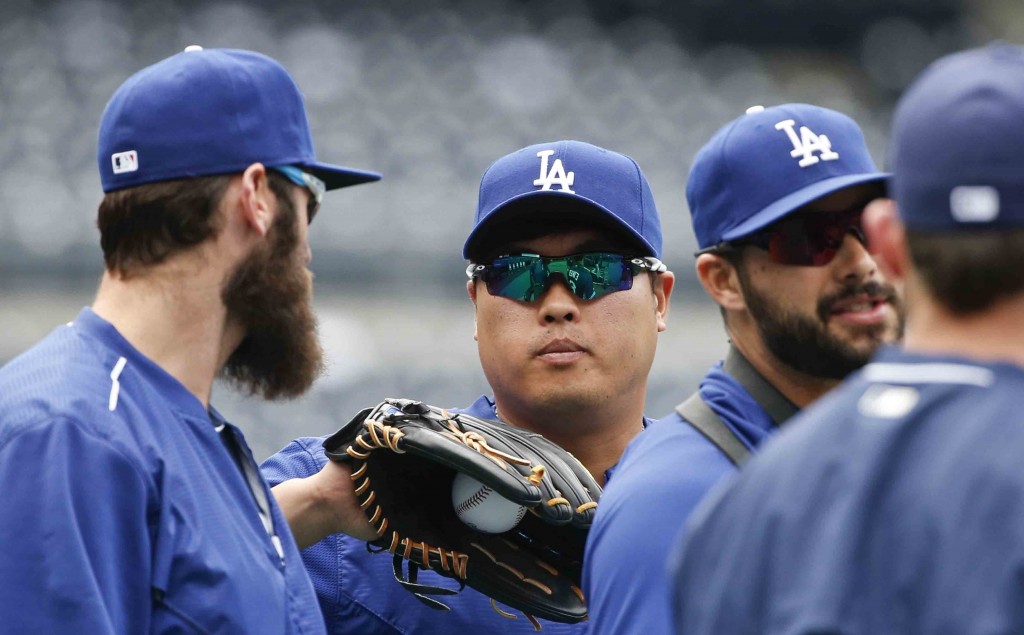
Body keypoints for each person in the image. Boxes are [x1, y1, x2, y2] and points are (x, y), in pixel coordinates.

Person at [0, 47, 380, 634]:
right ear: (256, 198)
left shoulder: (162, 419)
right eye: (310, 203)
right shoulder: (70, 432)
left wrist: (324, 503)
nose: (306, 250)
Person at [671, 43, 1024, 635]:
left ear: (884, 239)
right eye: (811, 237)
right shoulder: (685, 488)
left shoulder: (739, 505)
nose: (852, 260)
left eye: (855, 227)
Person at [262, 140, 675, 633]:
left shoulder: (725, 500)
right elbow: (160, 583)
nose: (558, 304)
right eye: (517, 274)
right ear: (475, 303)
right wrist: (316, 507)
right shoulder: (348, 487)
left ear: (660, 301)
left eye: (597, 271)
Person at [583, 103, 905, 634]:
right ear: (724, 281)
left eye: (866, 226)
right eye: (810, 238)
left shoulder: (913, 439)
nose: (860, 263)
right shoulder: (673, 502)